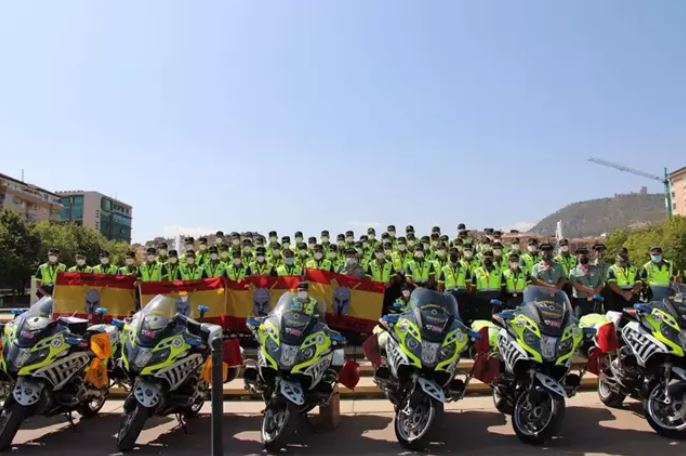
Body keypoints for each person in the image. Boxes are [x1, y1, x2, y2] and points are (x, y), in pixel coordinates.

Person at [568, 247, 605, 317]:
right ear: (578, 257)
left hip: (595, 300)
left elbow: (601, 282)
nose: (584, 257)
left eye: (586, 255)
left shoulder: (595, 269)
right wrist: (589, 290)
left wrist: (596, 292)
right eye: (582, 255)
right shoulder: (573, 271)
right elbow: (576, 285)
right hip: (581, 301)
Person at [606, 247, 641, 311]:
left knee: (633, 317)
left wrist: (632, 292)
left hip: (632, 295)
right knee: (619, 317)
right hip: (618, 295)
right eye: (621, 255)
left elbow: (638, 283)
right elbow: (612, 284)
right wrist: (623, 293)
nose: (624, 257)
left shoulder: (634, 268)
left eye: (625, 254)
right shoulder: (612, 268)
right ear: (616, 256)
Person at [472, 250, 503, 320]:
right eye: (485, 258)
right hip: (482, 300)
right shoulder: (476, 271)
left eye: (489, 259)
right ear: (482, 259)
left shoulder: (499, 271)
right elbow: (473, 288)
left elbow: (503, 287)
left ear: (493, 259)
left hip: (495, 300)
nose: (487, 261)